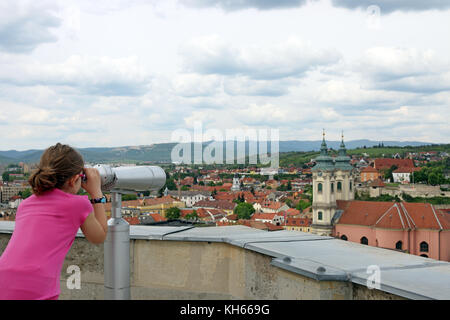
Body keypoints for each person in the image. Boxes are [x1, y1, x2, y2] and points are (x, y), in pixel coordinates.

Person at [0, 143, 108, 300]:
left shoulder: (25, 204)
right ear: (75, 179)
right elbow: (99, 236)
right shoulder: (77, 204)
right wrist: (96, 192)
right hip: (37, 284)